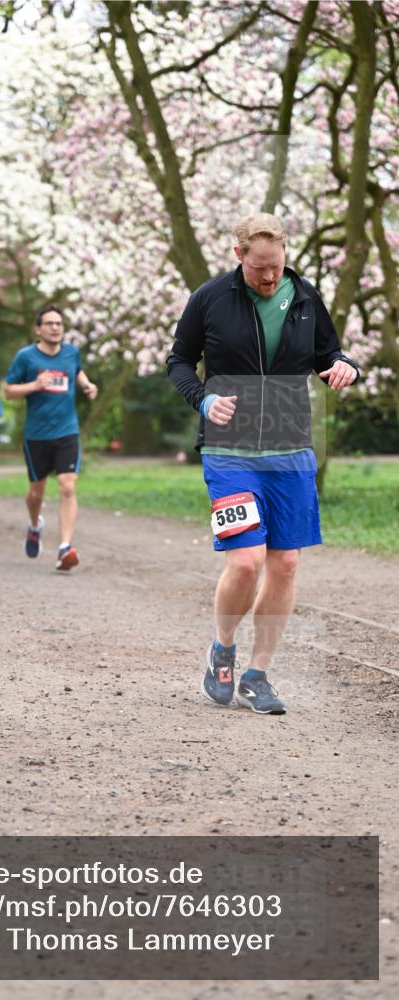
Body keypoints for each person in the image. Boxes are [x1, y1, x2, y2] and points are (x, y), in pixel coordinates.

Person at [167, 212, 359, 715]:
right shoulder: (210, 298)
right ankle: (223, 648)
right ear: (238, 256)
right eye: (259, 269)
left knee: (287, 563)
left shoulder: (305, 296)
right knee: (247, 559)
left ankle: (259, 673)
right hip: (229, 452)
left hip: (290, 447)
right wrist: (204, 399)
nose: (270, 278)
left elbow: (328, 353)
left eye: (276, 267)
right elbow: (179, 362)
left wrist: (344, 367)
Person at [4, 306, 98, 571]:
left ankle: (65, 547)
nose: (55, 327)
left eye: (59, 323)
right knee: (36, 493)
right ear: (38, 329)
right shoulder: (26, 358)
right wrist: (35, 385)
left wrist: (86, 385)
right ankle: (35, 525)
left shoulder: (71, 353)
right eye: (49, 323)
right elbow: (8, 391)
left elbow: (76, 370)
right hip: (37, 435)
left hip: (67, 431)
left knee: (68, 486)